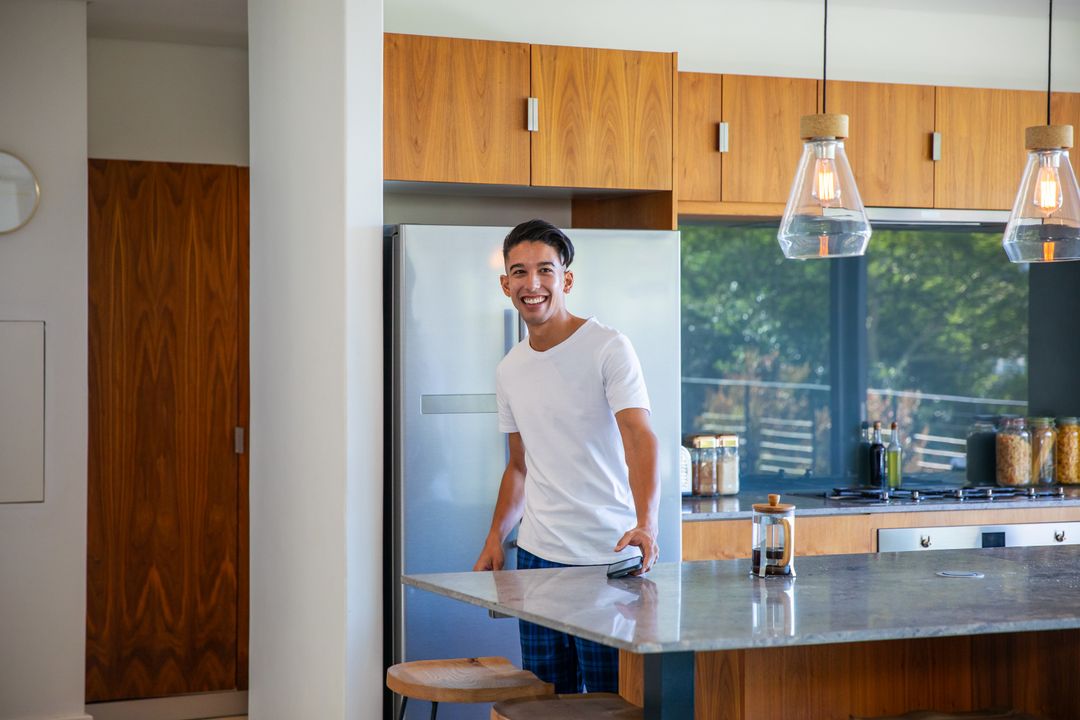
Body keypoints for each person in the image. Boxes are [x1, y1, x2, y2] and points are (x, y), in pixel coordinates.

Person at [472, 219, 660, 695]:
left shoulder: (607, 348)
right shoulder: (510, 369)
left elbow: (640, 437)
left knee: (609, 700)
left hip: (607, 558)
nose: (531, 284)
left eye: (544, 271)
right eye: (519, 272)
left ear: (566, 279)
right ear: (505, 284)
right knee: (544, 699)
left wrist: (648, 523)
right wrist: (496, 534)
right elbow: (519, 466)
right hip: (537, 562)